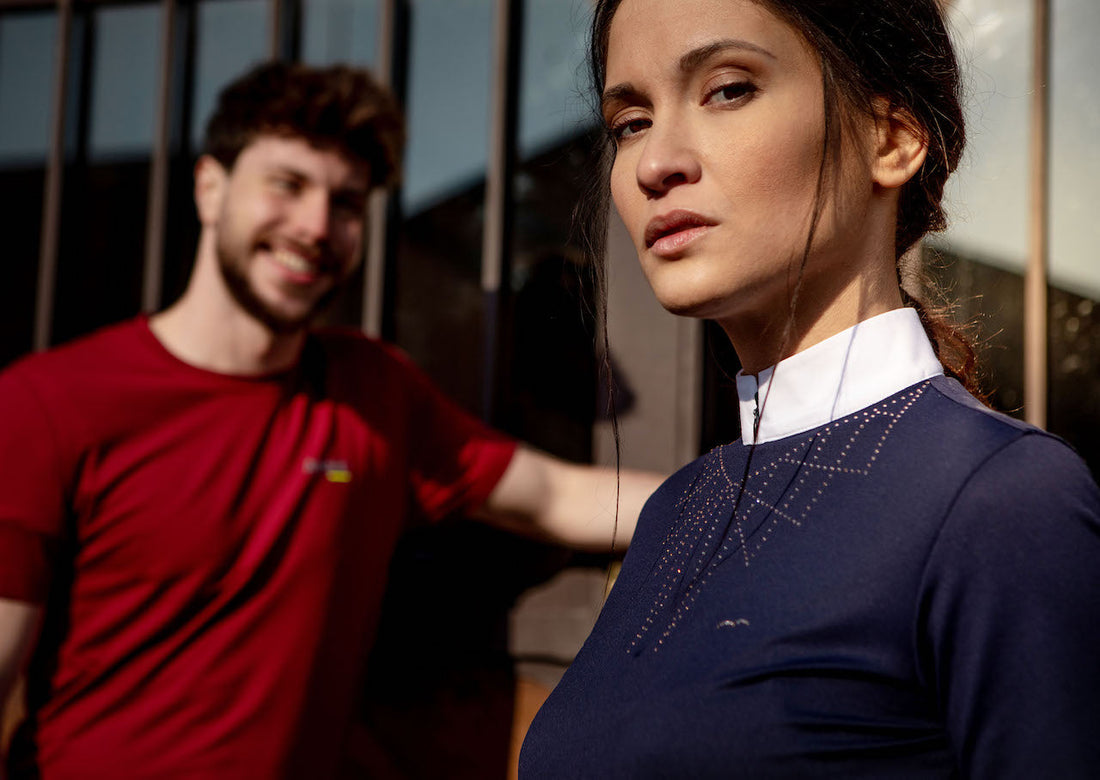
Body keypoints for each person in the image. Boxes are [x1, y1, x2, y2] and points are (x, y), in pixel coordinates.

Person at [0, 62, 661, 778]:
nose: (316, 226)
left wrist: (745, 493)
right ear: (210, 188)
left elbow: (556, 497)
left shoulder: (369, 394)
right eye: (287, 185)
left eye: (345, 203)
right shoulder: (47, 404)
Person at [519, 0, 1100, 776]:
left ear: (890, 138)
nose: (656, 162)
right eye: (630, 123)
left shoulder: (1005, 498)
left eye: (728, 89)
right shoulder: (674, 513)